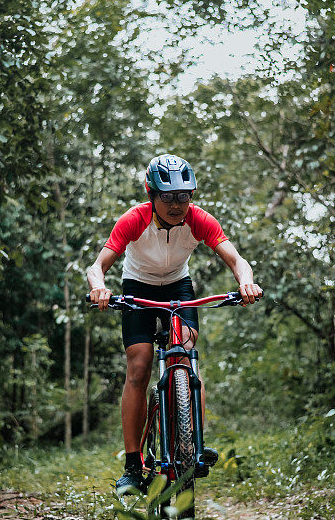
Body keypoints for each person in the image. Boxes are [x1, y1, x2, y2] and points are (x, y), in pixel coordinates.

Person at [86, 154, 263, 490]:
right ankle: (133, 464)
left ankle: (191, 440)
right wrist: (99, 288)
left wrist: (245, 282)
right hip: (137, 288)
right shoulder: (135, 218)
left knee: (185, 352)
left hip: (179, 289)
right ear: (152, 194)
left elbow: (236, 259)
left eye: (185, 195)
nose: (176, 204)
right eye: (167, 196)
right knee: (139, 365)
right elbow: (97, 266)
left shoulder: (199, 220)